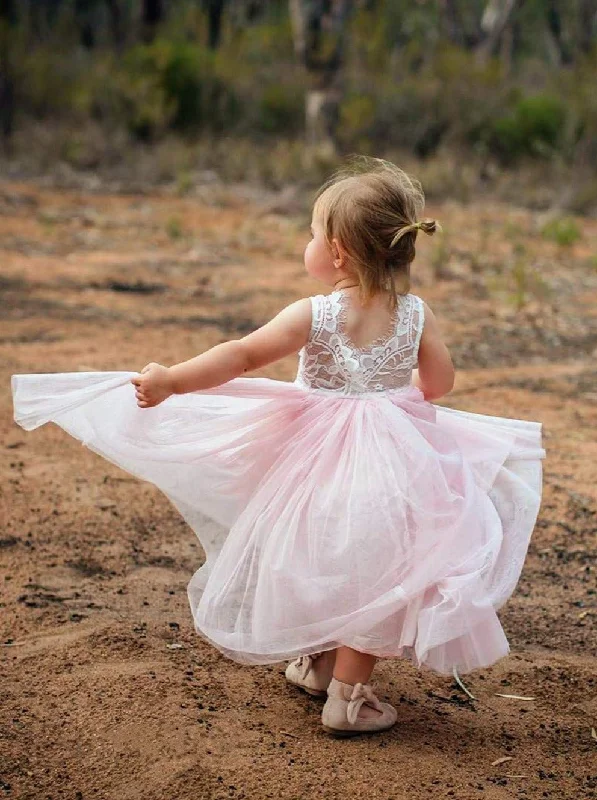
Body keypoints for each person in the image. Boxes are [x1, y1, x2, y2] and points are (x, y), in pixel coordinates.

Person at [11, 156, 545, 738]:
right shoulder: (416, 314)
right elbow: (440, 385)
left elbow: (238, 355)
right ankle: (336, 682)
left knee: (318, 555)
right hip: (394, 462)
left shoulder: (312, 314)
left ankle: (334, 686)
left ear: (337, 252)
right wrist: (396, 393)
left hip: (313, 458)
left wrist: (170, 382)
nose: (307, 242)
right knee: (378, 567)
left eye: (312, 233)